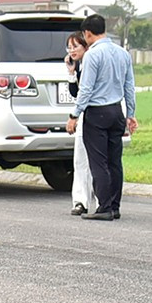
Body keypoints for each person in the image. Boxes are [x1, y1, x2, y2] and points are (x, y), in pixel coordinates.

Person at [67, 14, 137, 221]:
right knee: (115, 162)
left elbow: (86, 89)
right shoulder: (122, 53)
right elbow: (129, 87)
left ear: (87, 33)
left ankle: (104, 207)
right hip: (117, 111)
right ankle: (114, 206)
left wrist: (74, 115)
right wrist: (131, 114)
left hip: (97, 113)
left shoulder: (92, 55)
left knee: (99, 162)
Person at [64, 32, 93, 216]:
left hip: (93, 115)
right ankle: (80, 201)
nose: (72, 50)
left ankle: (97, 199)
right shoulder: (80, 67)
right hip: (83, 116)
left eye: (76, 46)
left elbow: (85, 93)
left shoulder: (91, 64)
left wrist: (73, 116)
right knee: (80, 160)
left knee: (94, 162)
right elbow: (75, 93)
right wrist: (71, 73)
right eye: (69, 47)